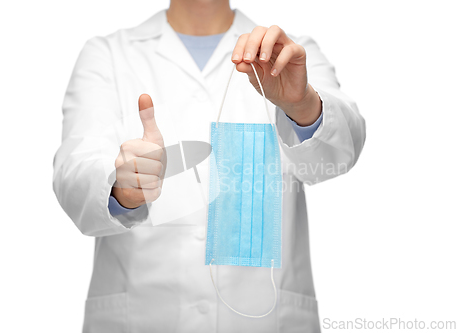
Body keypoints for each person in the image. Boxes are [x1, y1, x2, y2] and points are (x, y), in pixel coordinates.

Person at [53, 0, 366, 331]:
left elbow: (340, 151)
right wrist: (121, 189)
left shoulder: (289, 54)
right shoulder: (109, 55)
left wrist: (300, 104)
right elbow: (74, 174)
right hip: (143, 316)